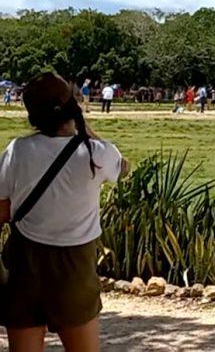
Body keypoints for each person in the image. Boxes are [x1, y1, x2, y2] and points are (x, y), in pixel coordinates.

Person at [0, 72, 129, 352]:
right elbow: (123, 169)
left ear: (33, 117)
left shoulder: (17, 150)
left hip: (25, 264)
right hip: (75, 267)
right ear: (73, 106)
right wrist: (83, 128)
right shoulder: (96, 153)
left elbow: (2, 210)